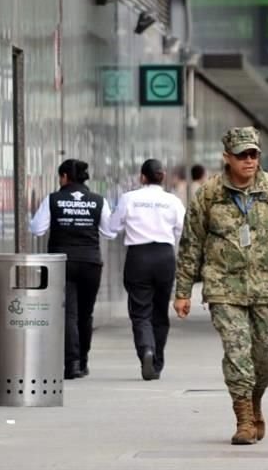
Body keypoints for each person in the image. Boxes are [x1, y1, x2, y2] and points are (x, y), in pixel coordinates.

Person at [174, 127, 268, 445]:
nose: (249, 161)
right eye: (242, 155)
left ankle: (255, 399)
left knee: (265, 357)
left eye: (254, 154)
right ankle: (244, 420)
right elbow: (191, 243)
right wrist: (182, 291)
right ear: (227, 158)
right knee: (237, 354)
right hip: (224, 287)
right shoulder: (209, 194)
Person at [29, 159, 115, 379]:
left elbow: (37, 229)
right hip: (90, 263)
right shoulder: (98, 201)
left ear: (65, 177)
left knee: (68, 314)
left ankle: (71, 364)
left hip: (61, 263)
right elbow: (110, 232)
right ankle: (83, 361)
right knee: (85, 315)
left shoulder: (53, 200)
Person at [107, 159, 185, 381]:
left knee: (141, 311)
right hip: (164, 256)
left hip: (138, 256)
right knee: (160, 311)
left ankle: (146, 351)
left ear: (142, 177)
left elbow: (113, 227)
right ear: (163, 176)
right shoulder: (172, 201)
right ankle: (157, 362)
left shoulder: (129, 198)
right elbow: (184, 229)